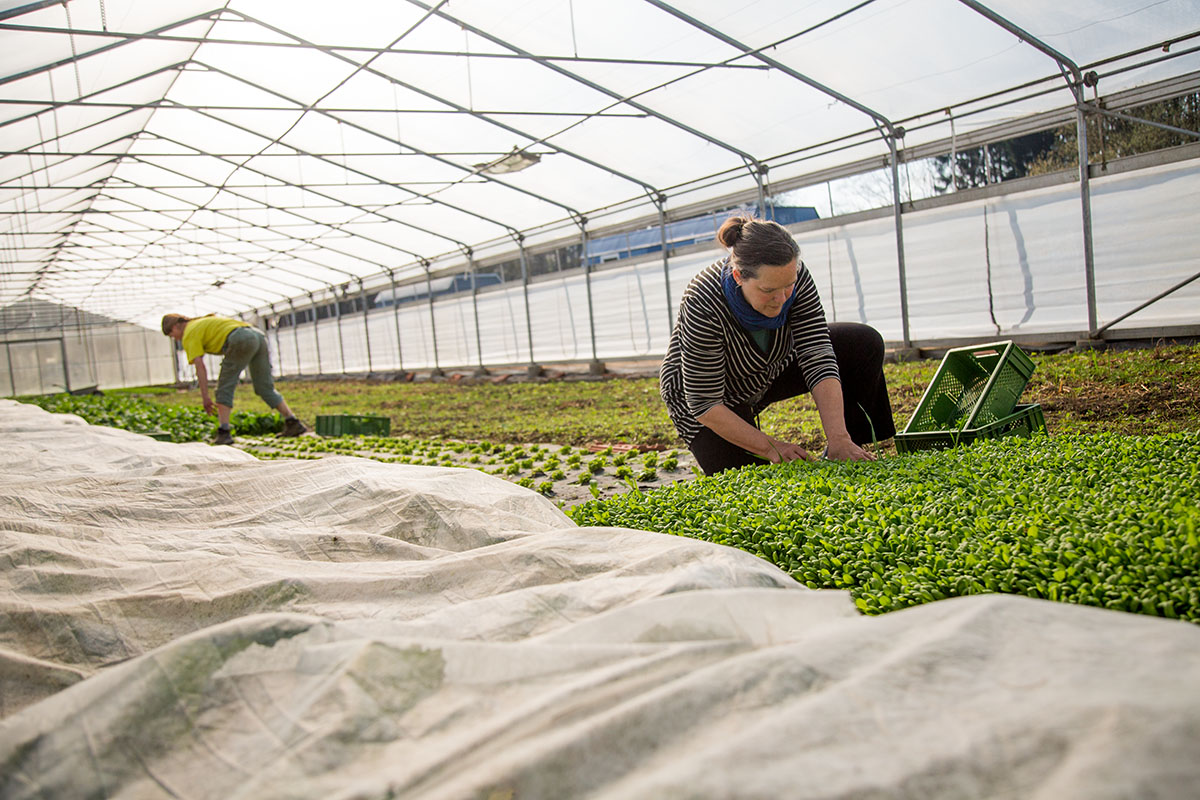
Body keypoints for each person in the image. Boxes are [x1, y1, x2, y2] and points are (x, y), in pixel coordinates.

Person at [660, 215, 895, 475]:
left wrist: (838, 437)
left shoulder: (795, 277)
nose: (781, 299)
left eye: (788, 287)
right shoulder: (702, 299)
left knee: (862, 343)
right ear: (739, 276)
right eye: (768, 290)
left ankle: (845, 447)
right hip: (712, 399)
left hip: (768, 368)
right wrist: (772, 447)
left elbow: (817, 354)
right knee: (749, 480)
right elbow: (704, 403)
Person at [161, 313, 308, 445]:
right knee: (264, 387)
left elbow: (200, 367)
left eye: (172, 334)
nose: (175, 338)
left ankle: (223, 432)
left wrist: (205, 397)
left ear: (175, 326)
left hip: (240, 339)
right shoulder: (201, 321)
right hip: (257, 334)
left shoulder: (189, 333)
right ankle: (292, 421)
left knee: (224, 387)